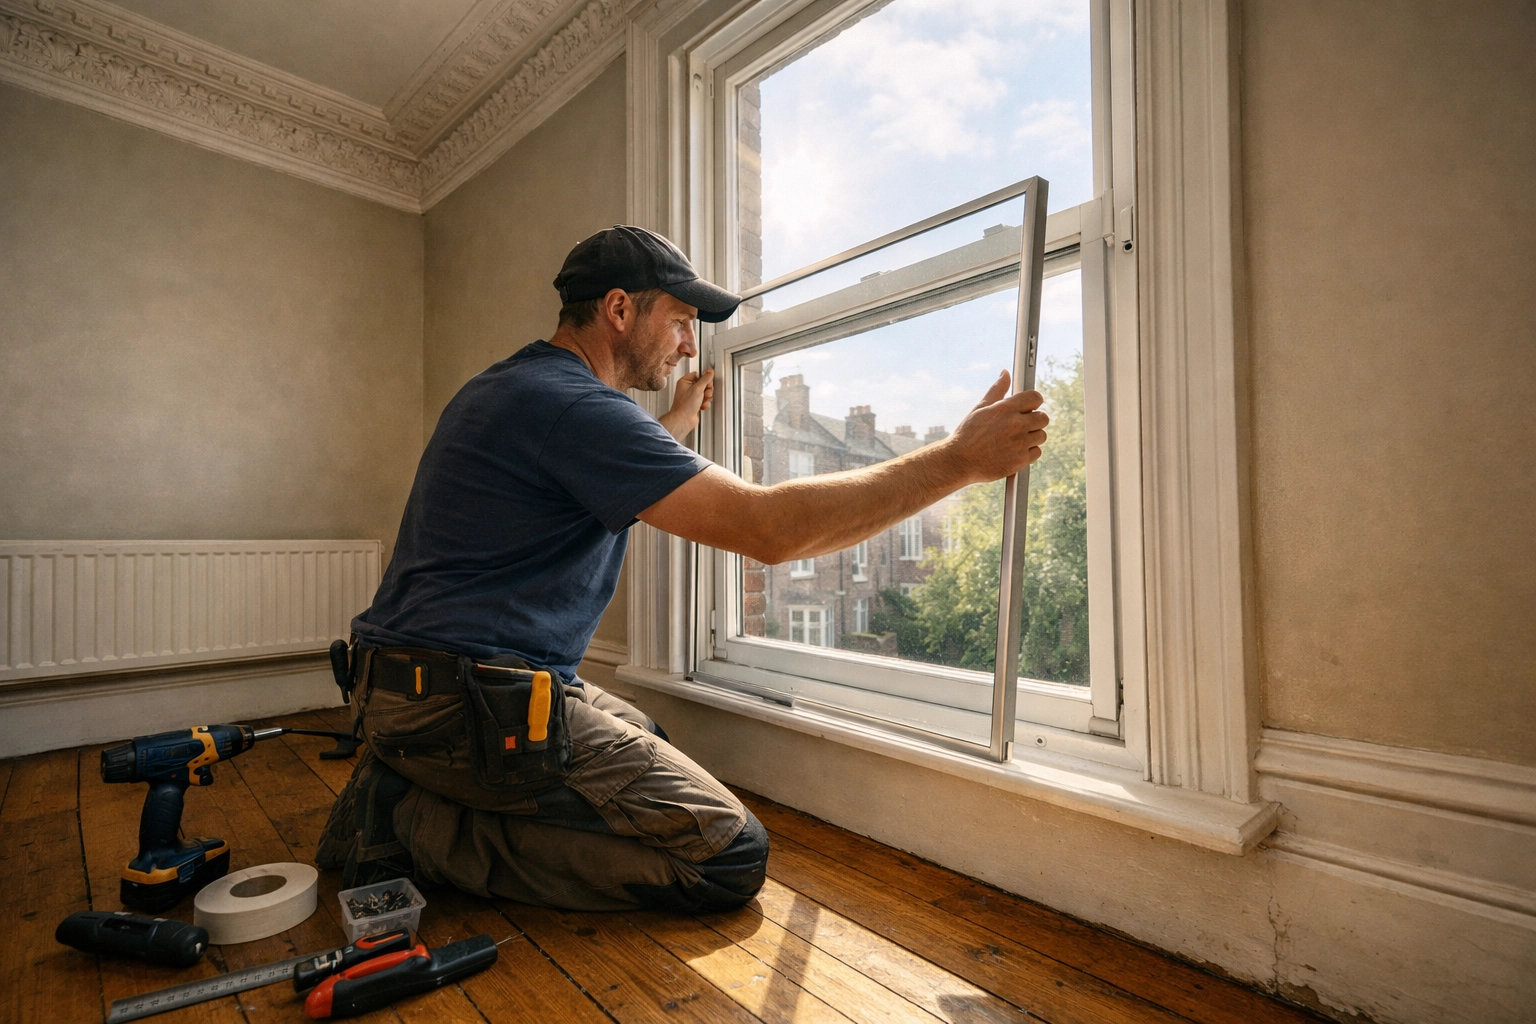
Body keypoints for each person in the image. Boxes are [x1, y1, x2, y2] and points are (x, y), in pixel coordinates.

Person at [317, 225, 1049, 914]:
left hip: (415, 684)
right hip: (456, 705)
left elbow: (600, 476)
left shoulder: (516, 389)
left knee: (651, 737)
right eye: (678, 321)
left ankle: (405, 774)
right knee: (725, 856)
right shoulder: (577, 410)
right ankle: (405, 823)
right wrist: (958, 461)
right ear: (616, 310)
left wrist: (675, 427)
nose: (689, 347)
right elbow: (770, 531)